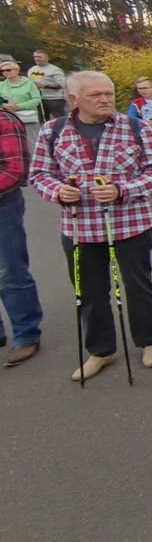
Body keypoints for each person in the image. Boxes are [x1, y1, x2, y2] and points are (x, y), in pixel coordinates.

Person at [29, 71, 152, 380]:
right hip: (80, 229)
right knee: (89, 292)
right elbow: (39, 175)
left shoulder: (135, 128)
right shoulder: (53, 131)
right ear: (74, 98)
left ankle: (148, 342)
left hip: (131, 225)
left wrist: (123, 190)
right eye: (96, 95)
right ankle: (101, 350)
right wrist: (58, 191)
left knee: (138, 287)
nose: (105, 99)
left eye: (108, 93)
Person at [0, 104, 45, 366]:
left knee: (9, 270)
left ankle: (26, 334)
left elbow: (15, 170)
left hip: (3, 204)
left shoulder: (4, 120)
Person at [28, 50, 67, 120]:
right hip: (38, 99)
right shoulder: (32, 69)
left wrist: (44, 86)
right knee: (42, 120)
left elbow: (61, 85)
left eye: (39, 57)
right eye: (35, 57)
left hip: (54, 99)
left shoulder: (55, 70)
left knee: (59, 120)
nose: (37, 59)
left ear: (47, 58)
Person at [1, 60, 41, 124]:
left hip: (27, 118)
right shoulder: (1, 85)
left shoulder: (29, 83)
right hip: (7, 118)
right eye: (2, 71)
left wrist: (19, 106)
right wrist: (4, 105)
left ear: (17, 71)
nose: (5, 72)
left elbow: (37, 99)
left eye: (8, 70)